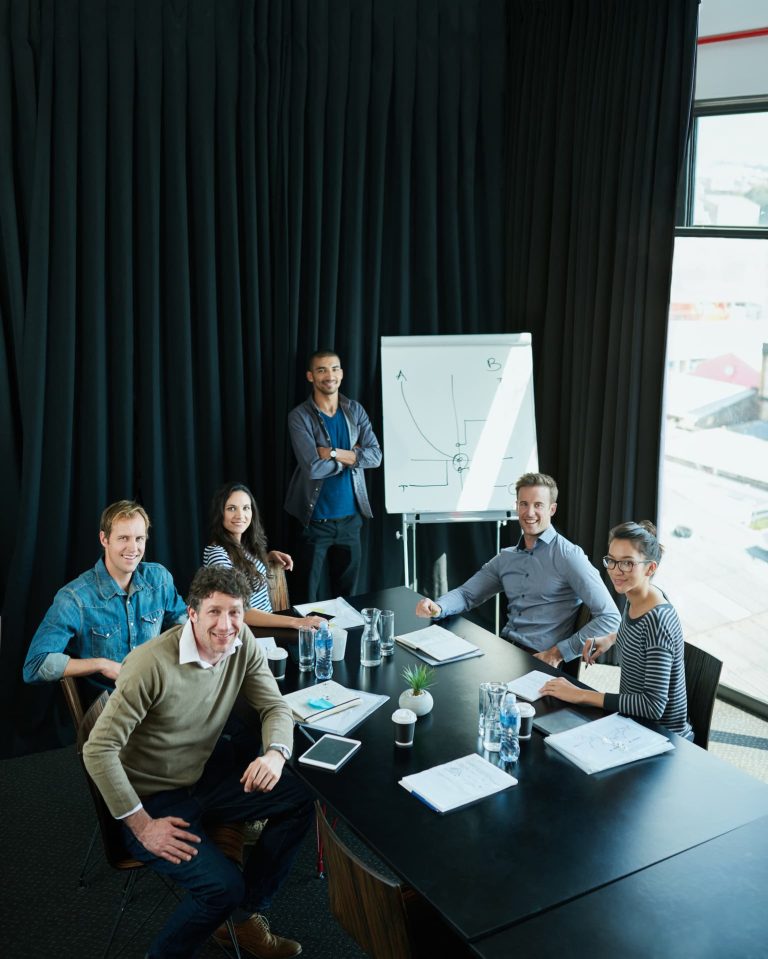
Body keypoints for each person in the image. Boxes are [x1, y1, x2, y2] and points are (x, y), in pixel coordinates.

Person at [83, 565, 314, 959]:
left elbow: (275, 707)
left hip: (202, 776)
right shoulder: (149, 663)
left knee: (301, 797)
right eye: (214, 612)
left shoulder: (244, 645)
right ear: (192, 613)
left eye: (236, 612)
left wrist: (276, 753)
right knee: (221, 887)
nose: (226, 625)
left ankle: (241, 918)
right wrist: (142, 826)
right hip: (152, 798)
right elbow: (97, 750)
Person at [415, 472, 619, 666]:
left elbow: (610, 618)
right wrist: (439, 606)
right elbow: (467, 594)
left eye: (538, 505)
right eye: (524, 504)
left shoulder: (569, 555)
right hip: (504, 650)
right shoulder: (507, 557)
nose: (530, 513)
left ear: (552, 509)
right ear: (517, 507)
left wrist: (558, 653)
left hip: (538, 659)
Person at [539, 521, 693, 739]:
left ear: (650, 568)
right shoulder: (637, 595)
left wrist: (582, 695)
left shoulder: (659, 620)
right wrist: (611, 638)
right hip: (633, 723)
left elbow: (652, 705)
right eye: (611, 560)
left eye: (628, 563)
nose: (615, 571)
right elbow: (641, 637)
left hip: (662, 737)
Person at [23, 500, 187, 698]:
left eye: (139, 538)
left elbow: (182, 625)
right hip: (113, 708)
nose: (133, 548)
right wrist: (101, 664)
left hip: (159, 694)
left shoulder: (159, 579)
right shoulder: (75, 598)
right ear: (104, 539)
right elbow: (35, 665)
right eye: (123, 538)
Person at [285, 349, 382, 601]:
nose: (330, 375)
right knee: (306, 597)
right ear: (310, 376)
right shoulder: (299, 416)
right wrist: (352, 457)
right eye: (322, 370)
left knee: (348, 599)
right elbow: (313, 467)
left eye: (334, 368)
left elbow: (375, 457)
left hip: (351, 521)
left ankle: (346, 641)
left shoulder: (355, 411)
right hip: (315, 522)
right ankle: (305, 642)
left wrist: (334, 453)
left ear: (342, 372)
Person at [203, 482, 327, 631]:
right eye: (231, 508)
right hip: (249, 633)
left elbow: (240, 568)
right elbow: (240, 611)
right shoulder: (217, 554)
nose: (240, 515)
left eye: (246, 508)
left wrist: (266, 557)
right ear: (220, 513)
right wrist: (295, 622)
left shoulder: (242, 545)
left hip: (266, 625)